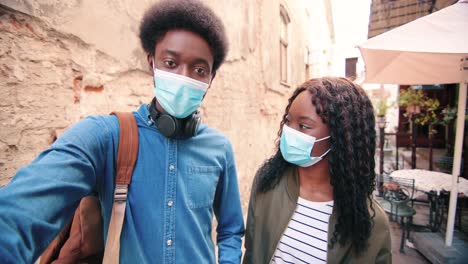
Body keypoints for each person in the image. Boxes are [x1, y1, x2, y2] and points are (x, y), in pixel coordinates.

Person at [0, 0, 244, 262]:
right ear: (152, 63)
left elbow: (231, 229)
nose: (184, 77)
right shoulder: (106, 136)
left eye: (198, 69)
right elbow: (17, 216)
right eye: (171, 63)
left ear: (211, 78)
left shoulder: (220, 147)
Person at [243, 77, 391, 263]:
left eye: (304, 126)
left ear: (340, 136)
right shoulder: (267, 183)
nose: (290, 132)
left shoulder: (372, 223)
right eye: (288, 122)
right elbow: (251, 252)